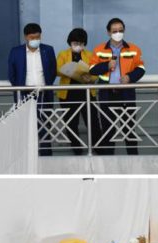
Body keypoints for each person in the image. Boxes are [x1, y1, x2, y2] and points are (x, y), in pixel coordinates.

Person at [90, 18, 146, 155]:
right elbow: (92, 69)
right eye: (114, 31)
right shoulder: (99, 49)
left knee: (129, 129)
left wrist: (130, 77)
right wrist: (106, 65)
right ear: (108, 32)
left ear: (124, 30)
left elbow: (141, 68)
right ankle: (108, 161)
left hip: (126, 93)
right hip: (107, 94)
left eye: (120, 30)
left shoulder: (133, 49)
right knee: (108, 130)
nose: (118, 33)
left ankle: (133, 160)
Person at [8, 23, 57, 156]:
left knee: (44, 125)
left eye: (38, 37)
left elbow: (52, 71)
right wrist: (20, 87)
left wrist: (44, 85)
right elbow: (12, 74)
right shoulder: (16, 51)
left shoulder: (48, 50)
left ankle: (46, 154)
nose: (35, 40)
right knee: (25, 125)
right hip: (24, 94)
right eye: (32, 38)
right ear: (26, 37)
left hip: (43, 94)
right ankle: (26, 155)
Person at [56, 28, 100, 155]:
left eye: (81, 43)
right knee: (71, 123)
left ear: (84, 44)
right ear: (70, 42)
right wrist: (68, 71)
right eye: (75, 43)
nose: (78, 46)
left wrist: (90, 78)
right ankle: (76, 148)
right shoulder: (63, 54)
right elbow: (57, 70)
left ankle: (98, 146)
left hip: (86, 92)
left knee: (93, 121)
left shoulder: (90, 55)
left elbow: (96, 73)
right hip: (68, 94)